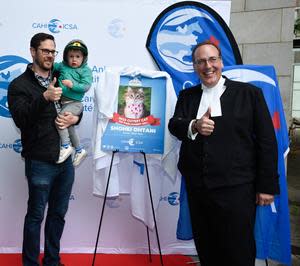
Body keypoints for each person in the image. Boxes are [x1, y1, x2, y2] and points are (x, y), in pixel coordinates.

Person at [168, 41, 279, 266]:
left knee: (237, 248)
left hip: (237, 188)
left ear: (221, 62)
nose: (207, 66)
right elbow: (174, 125)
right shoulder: (187, 96)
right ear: (194, 66)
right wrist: (193, 125)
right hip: (199, 187)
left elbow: (267, 142)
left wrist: (266, 185)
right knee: (207, 246)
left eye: (212, 60)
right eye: (200, 61)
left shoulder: (249, 94)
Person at [7, 32, 81, 266]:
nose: (50, 55)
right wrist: (45, 97)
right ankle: (30, 263)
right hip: (40, 161)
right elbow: (21, 119)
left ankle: (52, 261)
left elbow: (76, 107)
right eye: (45, 51)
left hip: (65, 159)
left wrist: (74, 120)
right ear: (33, 52)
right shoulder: (19, 85)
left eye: (53, 51)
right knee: (36, 216)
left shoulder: (62, 76)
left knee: (58, 215)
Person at [53, 39, 92, 167]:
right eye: (71, 56)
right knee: (69, 127)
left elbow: (86, 86)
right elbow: (51, 65)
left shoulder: (85, 70)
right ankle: (80, 150)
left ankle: (65, 146)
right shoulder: (63, 66)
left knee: (60, 121)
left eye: (78, 56)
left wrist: (72, 85)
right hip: (64, 103)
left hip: (75, 103)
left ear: (83, 58)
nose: (74, 59)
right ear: (65, 56)